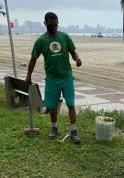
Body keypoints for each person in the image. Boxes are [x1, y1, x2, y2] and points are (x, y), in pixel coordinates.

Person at [25, 12, 82, 144]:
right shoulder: (41, 41)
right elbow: (33, 60)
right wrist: (28, 76)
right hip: (51, 79)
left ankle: (74, 131)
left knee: (71, 104)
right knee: (51, 106)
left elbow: (73, 52)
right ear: (45, 24)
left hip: (67, 77)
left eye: (56, 24)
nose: (54, 27)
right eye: (51, 25)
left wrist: (77, 59)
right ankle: (54, 128)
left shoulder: (65, 37)